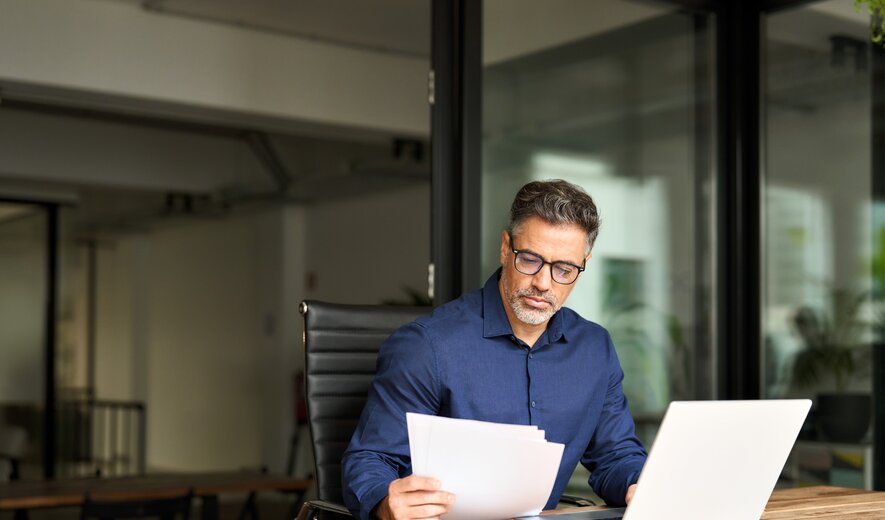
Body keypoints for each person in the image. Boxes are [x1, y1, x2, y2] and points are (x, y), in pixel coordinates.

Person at [342, 179, 647, 520]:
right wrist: (385, 504)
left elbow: (616, 456)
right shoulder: (428, 346)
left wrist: (640, 484)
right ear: (505, 248)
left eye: (564, 269)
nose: (543, 283)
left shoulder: (594, 349)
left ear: (583, 264)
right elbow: (371, 459)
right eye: (529, 260)